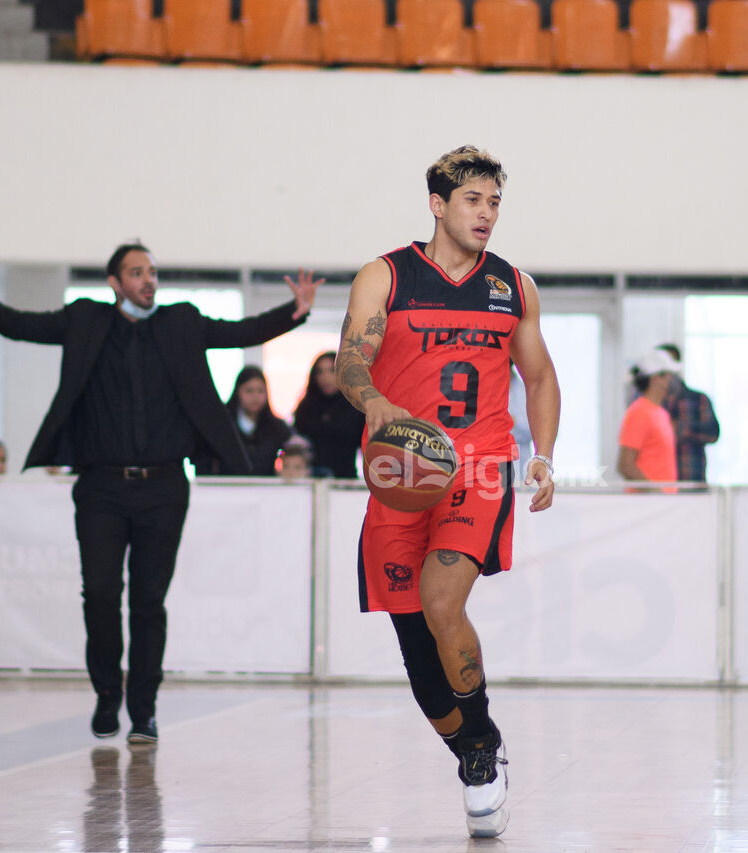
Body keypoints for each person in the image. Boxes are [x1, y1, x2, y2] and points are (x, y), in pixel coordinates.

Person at [0, 242, 320, 746]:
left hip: (164, 487)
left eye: (152, 271)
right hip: (101, 487)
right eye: (136, 272)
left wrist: (295, 311)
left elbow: (239, 332)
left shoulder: (182, 323)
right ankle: (107, 693)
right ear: (115, 283)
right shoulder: (86, 320)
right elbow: (28, 327)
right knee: (100, 594)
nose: (148, 280)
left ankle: (144, 711)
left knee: (149, 603)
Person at [335, 145, 560, 839]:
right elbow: (350, 359)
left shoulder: (513, 286)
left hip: (479, 467)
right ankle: (475, 747)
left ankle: (481, 740)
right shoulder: (385, 275)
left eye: (494, 202)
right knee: (417, 650)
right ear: (438, 204)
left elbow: (540, 377)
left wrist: (543, 455)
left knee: (441, 599)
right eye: (472, 200)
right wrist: (372, 398)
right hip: (400, 475)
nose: (486, 213)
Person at [195, 366, 292, 477]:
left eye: (260, 391)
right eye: (249, 391)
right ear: (238, 392)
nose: (255, 396)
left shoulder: (277, 428)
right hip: (227, 485)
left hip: (265, 486)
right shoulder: (221, 425)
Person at [291, 351, 365, 478]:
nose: (325, 377)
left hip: (345, 481)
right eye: (320, 372)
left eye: (332, 371)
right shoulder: (306, 408)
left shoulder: (356, 408)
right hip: (310, 481)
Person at [658, 344, 720, 483]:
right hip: (657, 486)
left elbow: (713, 433)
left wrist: (678, 428)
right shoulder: (648, 405)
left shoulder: (698, 399)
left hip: (690, 481)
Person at [617, 348, 680, 484]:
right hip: (649, 497)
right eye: (668, 375)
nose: (672, 381)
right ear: (656, 379)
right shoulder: (639, 412)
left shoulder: (661, 413)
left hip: (664, 496)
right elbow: (626, 465)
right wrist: (654, 490)